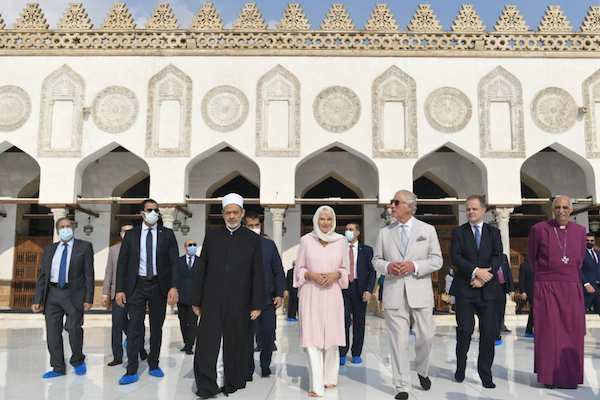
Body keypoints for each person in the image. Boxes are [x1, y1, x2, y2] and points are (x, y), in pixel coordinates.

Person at [190, 193, 266, 399]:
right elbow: (202, 269)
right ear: (223, 214)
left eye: (235, 212)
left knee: (235, 340)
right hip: (212, 300)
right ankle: (208, 383)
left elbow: (257, 272)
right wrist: (196, 300)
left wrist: (257, 304)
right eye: (228, 213)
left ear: (242, 214)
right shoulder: (212, 236)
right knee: (208, 342)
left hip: (239, 302)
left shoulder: (252, 239)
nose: (232, 216)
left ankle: (230, 381)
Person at [373, 190, 443, 400]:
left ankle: (421, 370)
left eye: (396, 202)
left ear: (409, 206)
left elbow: (437, 260)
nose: (392, 206)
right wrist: (388, 266)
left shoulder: (427, 230)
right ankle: (402, 385)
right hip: (394, 293)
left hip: (420, 292)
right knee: (398, 341)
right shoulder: (385, 233)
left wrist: (414, 265)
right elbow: (376, 260)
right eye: (392, 202)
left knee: (426, 336)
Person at [115, 199, 179, 384]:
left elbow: (174, 262)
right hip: (137, 286)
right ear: (142, 213)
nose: (154, 213)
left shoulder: (166, 234)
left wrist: (174, 286)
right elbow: (122, 263)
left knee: (157, 327)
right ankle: (131, 369)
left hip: (159, 286)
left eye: (156, 210)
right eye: (149, 210)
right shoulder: (132, 235)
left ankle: (153, 363)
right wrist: (120, 289)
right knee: (134, 327)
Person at [527, 195, 586, 389]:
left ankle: (569, 377)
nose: (561, 211)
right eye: (557, 207)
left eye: (565, 208)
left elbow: (579, 260)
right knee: (548, 332)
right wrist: (547, 276)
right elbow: (532, 257)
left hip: (571, 286)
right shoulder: (539, 229)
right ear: (553, 210)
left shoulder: (580, 231)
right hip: (547, 285)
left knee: (572, 331)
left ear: (571, 210)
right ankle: (549, 377)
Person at [294, 206, 348, 398]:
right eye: (322, 219)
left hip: (332, 293)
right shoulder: (306, 240)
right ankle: (316, 385)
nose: (325, 223)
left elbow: (345, 269)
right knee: (312, 339)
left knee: (332, 338)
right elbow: (298, 269)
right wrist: (310, 275)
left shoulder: (341, 241)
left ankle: (329, 378)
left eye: (329, 219)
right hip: (311, 293)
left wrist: (336, 274)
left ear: (334, 222)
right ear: (316, 220)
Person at [449, 195, 503, 389]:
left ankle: (485, 374)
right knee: (465, 330)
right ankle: (461, 366)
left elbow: (499, 255)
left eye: (474, 208)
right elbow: (455, 256)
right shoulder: (459, 232)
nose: (471, 212)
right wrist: (475, 271)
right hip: (465, 289)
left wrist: (484, 276)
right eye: (468, 209)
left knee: (488, 334)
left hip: (488, 290)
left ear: (483, 210)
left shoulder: (493, 233)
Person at [32, 217, 94, 378]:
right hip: (52, 294)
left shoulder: (84, 247)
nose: (65, 229)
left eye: (68, 226)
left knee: (73, 328)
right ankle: (57, 366)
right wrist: (37, 299)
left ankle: (78, 360)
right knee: (52, 332)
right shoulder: (49, 249)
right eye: (62, 227)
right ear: (57, 230)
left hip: (73, 294)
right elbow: (43, 276)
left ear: (73, 229)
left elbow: (89, 275)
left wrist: (88, 298)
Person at [244, 211, 285, 379]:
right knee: (247, 335)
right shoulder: (239, 244)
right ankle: (247, 368)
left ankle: (265, 364)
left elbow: (278, 271)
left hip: (267, 299)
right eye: (250, 226)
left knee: (268, 332)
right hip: (245, 300)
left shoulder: (269, 245)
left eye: (256, 225)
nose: (254, 228)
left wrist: (279, 293)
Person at [101, 222, 147, 366]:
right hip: (118, 293)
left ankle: (139, 348)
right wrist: (104, 293)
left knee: (138, 323)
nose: (126, 233)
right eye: (123, 231)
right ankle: (117, 355)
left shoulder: (141, 249)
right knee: (118, 324)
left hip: (136, 292)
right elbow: (109, 271)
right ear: (120, 234)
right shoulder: (114, 250)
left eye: (129, 231)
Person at [339, 221, 375, 365]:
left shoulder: (366, 250)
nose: (348, 232)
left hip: (360, 289)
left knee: (359, 322)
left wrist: (369, 290)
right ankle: (342, 352)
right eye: (346, 229)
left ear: (358, 232)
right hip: (344, 288)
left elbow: (372, 272)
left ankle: (356, 353)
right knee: (343, 321)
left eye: (351, 229)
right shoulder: (340, 249)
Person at [177, 239, 199, 355]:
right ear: (185, 248)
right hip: (181, 296)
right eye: (190, 245)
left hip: (195, 297)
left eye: (194, 245)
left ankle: (190, 345)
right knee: (182, 320)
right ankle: (186, 342)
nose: (192, 246)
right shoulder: (179, 261)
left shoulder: (200, 261)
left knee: (193, 321)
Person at [495, 254, 515, 345]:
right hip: (493, 286)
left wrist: (511, 289)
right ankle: (494, 329)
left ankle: (500, 325)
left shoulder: (503, 257)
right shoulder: (488, 255)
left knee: (501, 307)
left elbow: (508, 272)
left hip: (503, 286)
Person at [582, 233, 600, 316]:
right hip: (587, 288)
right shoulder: (580, 254)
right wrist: (586, 283)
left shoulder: (598, 253)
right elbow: (578, 270)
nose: (590, 242)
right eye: (587, 240)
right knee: (582, 312)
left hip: (598, 287)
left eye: (592, 240)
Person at [518, 257, 535, 337]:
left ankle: (529, 329)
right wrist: (523, 291)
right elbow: (521, 280)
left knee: (533, 311)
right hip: (530, 291)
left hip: (538, 291)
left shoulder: (538, 265)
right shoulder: (524, 266)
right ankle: (529, 330)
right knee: (534, 310)